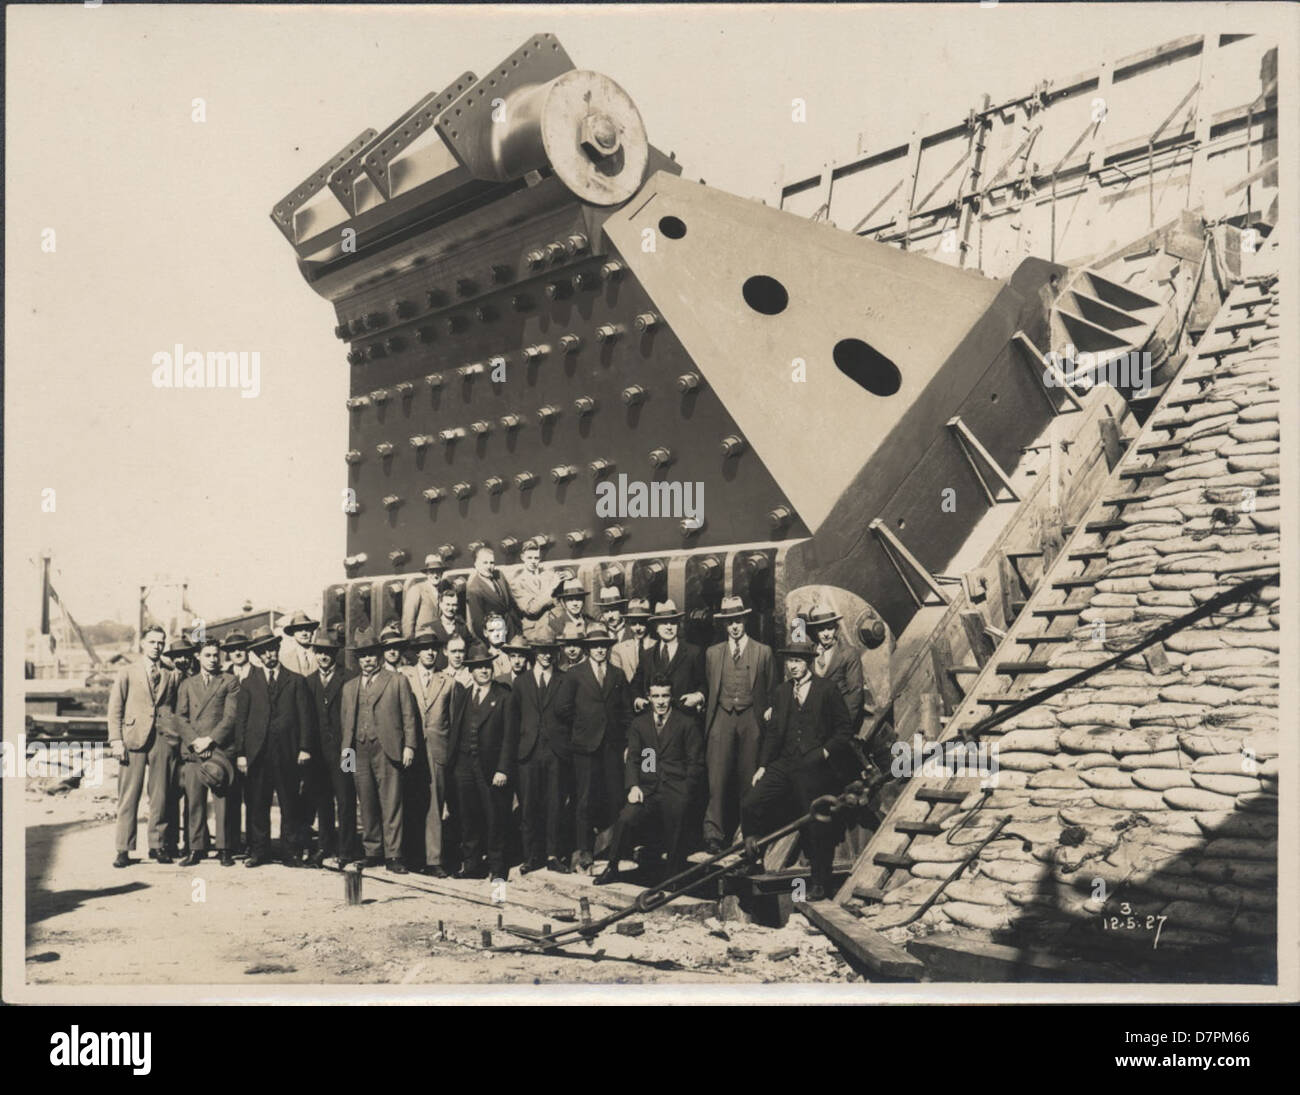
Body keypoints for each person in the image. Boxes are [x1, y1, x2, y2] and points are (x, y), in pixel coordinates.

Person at [740, 641, 856, 900]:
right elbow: (772, 735)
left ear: (809, 662)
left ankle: (819, 882)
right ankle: (753, 859)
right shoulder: (782, 692)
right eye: (790, 661)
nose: (793, 666)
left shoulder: (827, 689)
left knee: (813, 821)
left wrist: (824, 753)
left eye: (798, 661)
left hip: (815, 765)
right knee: (750, 803)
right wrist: (762, 766)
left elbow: (844, 730)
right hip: (785, 762)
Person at [595, 675, 704, 886]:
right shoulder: (640, 724)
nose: (661, 701)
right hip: (648, 788)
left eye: (665, 696)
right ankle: (612, 867)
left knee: (678, 816)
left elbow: (696, 762)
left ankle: (673, 875)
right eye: (656, 696)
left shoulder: (686, 723)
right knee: (627, 817)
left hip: (675, 786)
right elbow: (635, 758)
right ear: (649, 697)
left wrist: (685, 789)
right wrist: (635, 786)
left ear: (671, 697)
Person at [340, 627, 417, 873]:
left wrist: (409, 746)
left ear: (379, 655)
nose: (368, 660)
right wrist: (347, 759)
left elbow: (409, 716)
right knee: (367, 803)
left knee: (391, 802)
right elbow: (346, 725)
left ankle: (394, 855)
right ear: (357, 659)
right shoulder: (350, 687)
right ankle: (373, 851)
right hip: (358, 751)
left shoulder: (397, 681)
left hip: (387, 748)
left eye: (371, 654)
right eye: (363, 655)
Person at [702, 596, 775, 853]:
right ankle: (714, 834)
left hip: (750, 718)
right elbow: (710, 686)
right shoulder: (712, 653)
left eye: (738, 620)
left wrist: (767, 712)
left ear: (745, 620)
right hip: (722, 716)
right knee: (717, 778)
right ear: (724, 625)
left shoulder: (763, 652)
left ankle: (749, 833)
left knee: (749, 777)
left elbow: (770, 689)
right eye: (729, 622)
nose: (734, 626)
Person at [236, 626, 313, 868]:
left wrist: (304, 748)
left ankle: (290, 852)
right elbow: (242, 720)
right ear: (258, 656)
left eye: (272, 650)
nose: (269, 655)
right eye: (264, 652)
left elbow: (305, 718)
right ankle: (260, 851)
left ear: (278, 649)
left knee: (290, 803)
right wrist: (241, 753)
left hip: (287, 752)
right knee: (258, 803)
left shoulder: (296, 681)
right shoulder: (249, 683)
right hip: (258, 753)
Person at [556, 625, 629, 871]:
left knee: (616, 796)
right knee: (585, 800)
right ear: (588, 649)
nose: (599, 650)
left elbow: (625, 709)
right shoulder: (575, 674)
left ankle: (616, 848)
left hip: (611, 746)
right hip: (585, 746)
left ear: (608, 649)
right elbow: (562, 708)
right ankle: (584, 849)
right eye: (595, 647)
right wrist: (584, 724)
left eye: (603, 647)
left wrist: (622, 738)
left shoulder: (618, 674)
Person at [107, 625, 181, 867]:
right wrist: (116, 741)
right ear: (142, 643)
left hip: (162, 740)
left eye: (161, 643)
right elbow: (115, 709)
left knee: (160, 795)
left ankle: (158, 846)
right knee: (129, 796)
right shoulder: (127, 672)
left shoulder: (171, 673)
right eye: (152, 642)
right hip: (133, 739)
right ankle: (123, 849)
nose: (157, 647)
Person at [446, 643, 514, 881]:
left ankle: (497, 868)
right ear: (471, 671)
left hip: (490, 767)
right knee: (467, 816)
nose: (484, 671)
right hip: (464, 765)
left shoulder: (503, 696)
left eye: (487, 666)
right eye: (479, 667)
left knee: (495, 817)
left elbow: (509, 737)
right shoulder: (463, 694)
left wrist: (503, 769)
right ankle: (472, 864)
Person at [174, 638, 241, 866]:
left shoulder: (230, 681)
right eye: (208, 655)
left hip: (218, 749)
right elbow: (180, 717)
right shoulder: (187, 684)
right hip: (194, 751)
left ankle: (224, 848)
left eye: (216, 655)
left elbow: (231, 717)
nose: (213, 659)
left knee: (222, 800)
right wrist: (195, 741)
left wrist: (210, 740)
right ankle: (196, 848)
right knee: (195, 800)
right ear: (198, 658)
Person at [507, 635, 570, 874]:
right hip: (528, 752)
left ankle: (553, 855)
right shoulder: (521, 683)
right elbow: (513, 722)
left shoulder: (565, 680)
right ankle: (530, 856)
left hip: (556, 752)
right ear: (534, 653)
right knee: (529, 806)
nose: (545, 655)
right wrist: (514, 755)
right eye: (541, 651)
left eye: (550, 651)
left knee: (555, 804)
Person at [400, 624, 458, 877]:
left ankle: (434, 859)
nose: (429, 654)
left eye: (433, 649)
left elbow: (453, 721)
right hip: (411, 749)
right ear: (417, 653)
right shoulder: (404, 677)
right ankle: (412, 857)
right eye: (424, 649)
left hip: (437, 751)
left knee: (435, 804)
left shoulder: (448, 682)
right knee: (411, 801)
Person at [304, 625, 360, 867]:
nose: (323, 656)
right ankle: (324, 847)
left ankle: (346, 850)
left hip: (346, 750)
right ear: (314, 653)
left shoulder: (349, 678)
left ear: (335, 653)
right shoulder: (307, 682)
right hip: (318, 753)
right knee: (322, 800)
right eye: (319, 651)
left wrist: (350, 751)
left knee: (346, 799)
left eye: (327, 651)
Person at [631, 600, 706, 719]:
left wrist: (698, 696)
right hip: (654, 720)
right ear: (656, 627)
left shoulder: (693, 652)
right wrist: (637, 700)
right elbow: (636, 684)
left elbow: (704, 684)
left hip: (684, 719)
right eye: (664, 623)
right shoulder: (647, 655)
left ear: (678, 625)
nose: (669, 627)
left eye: (673, 622)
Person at [219, 629, 253, 856]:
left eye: (240, 648)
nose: (237, 653)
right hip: (229, 745)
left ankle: (253, 843)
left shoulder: (258, 674)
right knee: (230, 795)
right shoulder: (222, 676)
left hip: (252, 744)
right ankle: (230, 844)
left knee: (253, 795)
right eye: (232, 650)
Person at [803, 604, 864, 729]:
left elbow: (855, 692)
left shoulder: (848, 653)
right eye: (821, 629)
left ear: (836, 628)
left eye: (829, 628)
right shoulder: (809, 653)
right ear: (815, 631)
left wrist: (844, 725)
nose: (826, 634)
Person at [506, 539, 557, 641]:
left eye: (536, 558)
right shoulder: (516, 582)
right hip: (533, 632)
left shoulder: (549, 575)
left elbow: (558, 601)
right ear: (522, 557)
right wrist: (552, 588)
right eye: (529, 558)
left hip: (553, 628)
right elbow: (531, 609)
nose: (533, 562)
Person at [465, 546, 519, 640]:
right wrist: (491, 645)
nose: (489, 566)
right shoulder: (474, 589)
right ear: (476, 564)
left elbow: (510, 602)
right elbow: (478, 623)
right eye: (485, 563)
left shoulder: (499, 575)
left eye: (492, 562)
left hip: (513, 629)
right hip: (496, 635)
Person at [401, 553, 447, 638]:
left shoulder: (443, 591)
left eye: (438, 572)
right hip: (422, 639)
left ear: (442, 573)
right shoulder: (417, 589)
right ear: (426, 574)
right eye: (431, 572)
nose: (435, 575)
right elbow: (408, 621)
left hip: (439, 639)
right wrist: (410, 642)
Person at [611, 597, 653, 680]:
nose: (638, 628)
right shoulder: (618, 649)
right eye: (634, 623)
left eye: (641, 623)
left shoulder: (658, 646)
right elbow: (616, 680)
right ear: (629, 624)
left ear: (648, 623)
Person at [544, 575, 596, 641]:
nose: (575, 604)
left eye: (578, 599)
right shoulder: (555, 625)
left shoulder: (591, 622)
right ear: (563, 602)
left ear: (583, 600)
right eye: (570, 600)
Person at [277, 610, 320, 677]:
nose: (304, 633)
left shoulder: (322, 655)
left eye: (307, 629)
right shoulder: (284, 660)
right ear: (293, 633)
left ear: (312, 632)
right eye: (299, 629)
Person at [482, 613, 514, 683]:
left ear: (506, 630)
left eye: (499, 629)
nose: (496, 634)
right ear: (485, 633)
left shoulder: (515, 653)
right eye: (491, 630)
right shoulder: (484, 658)